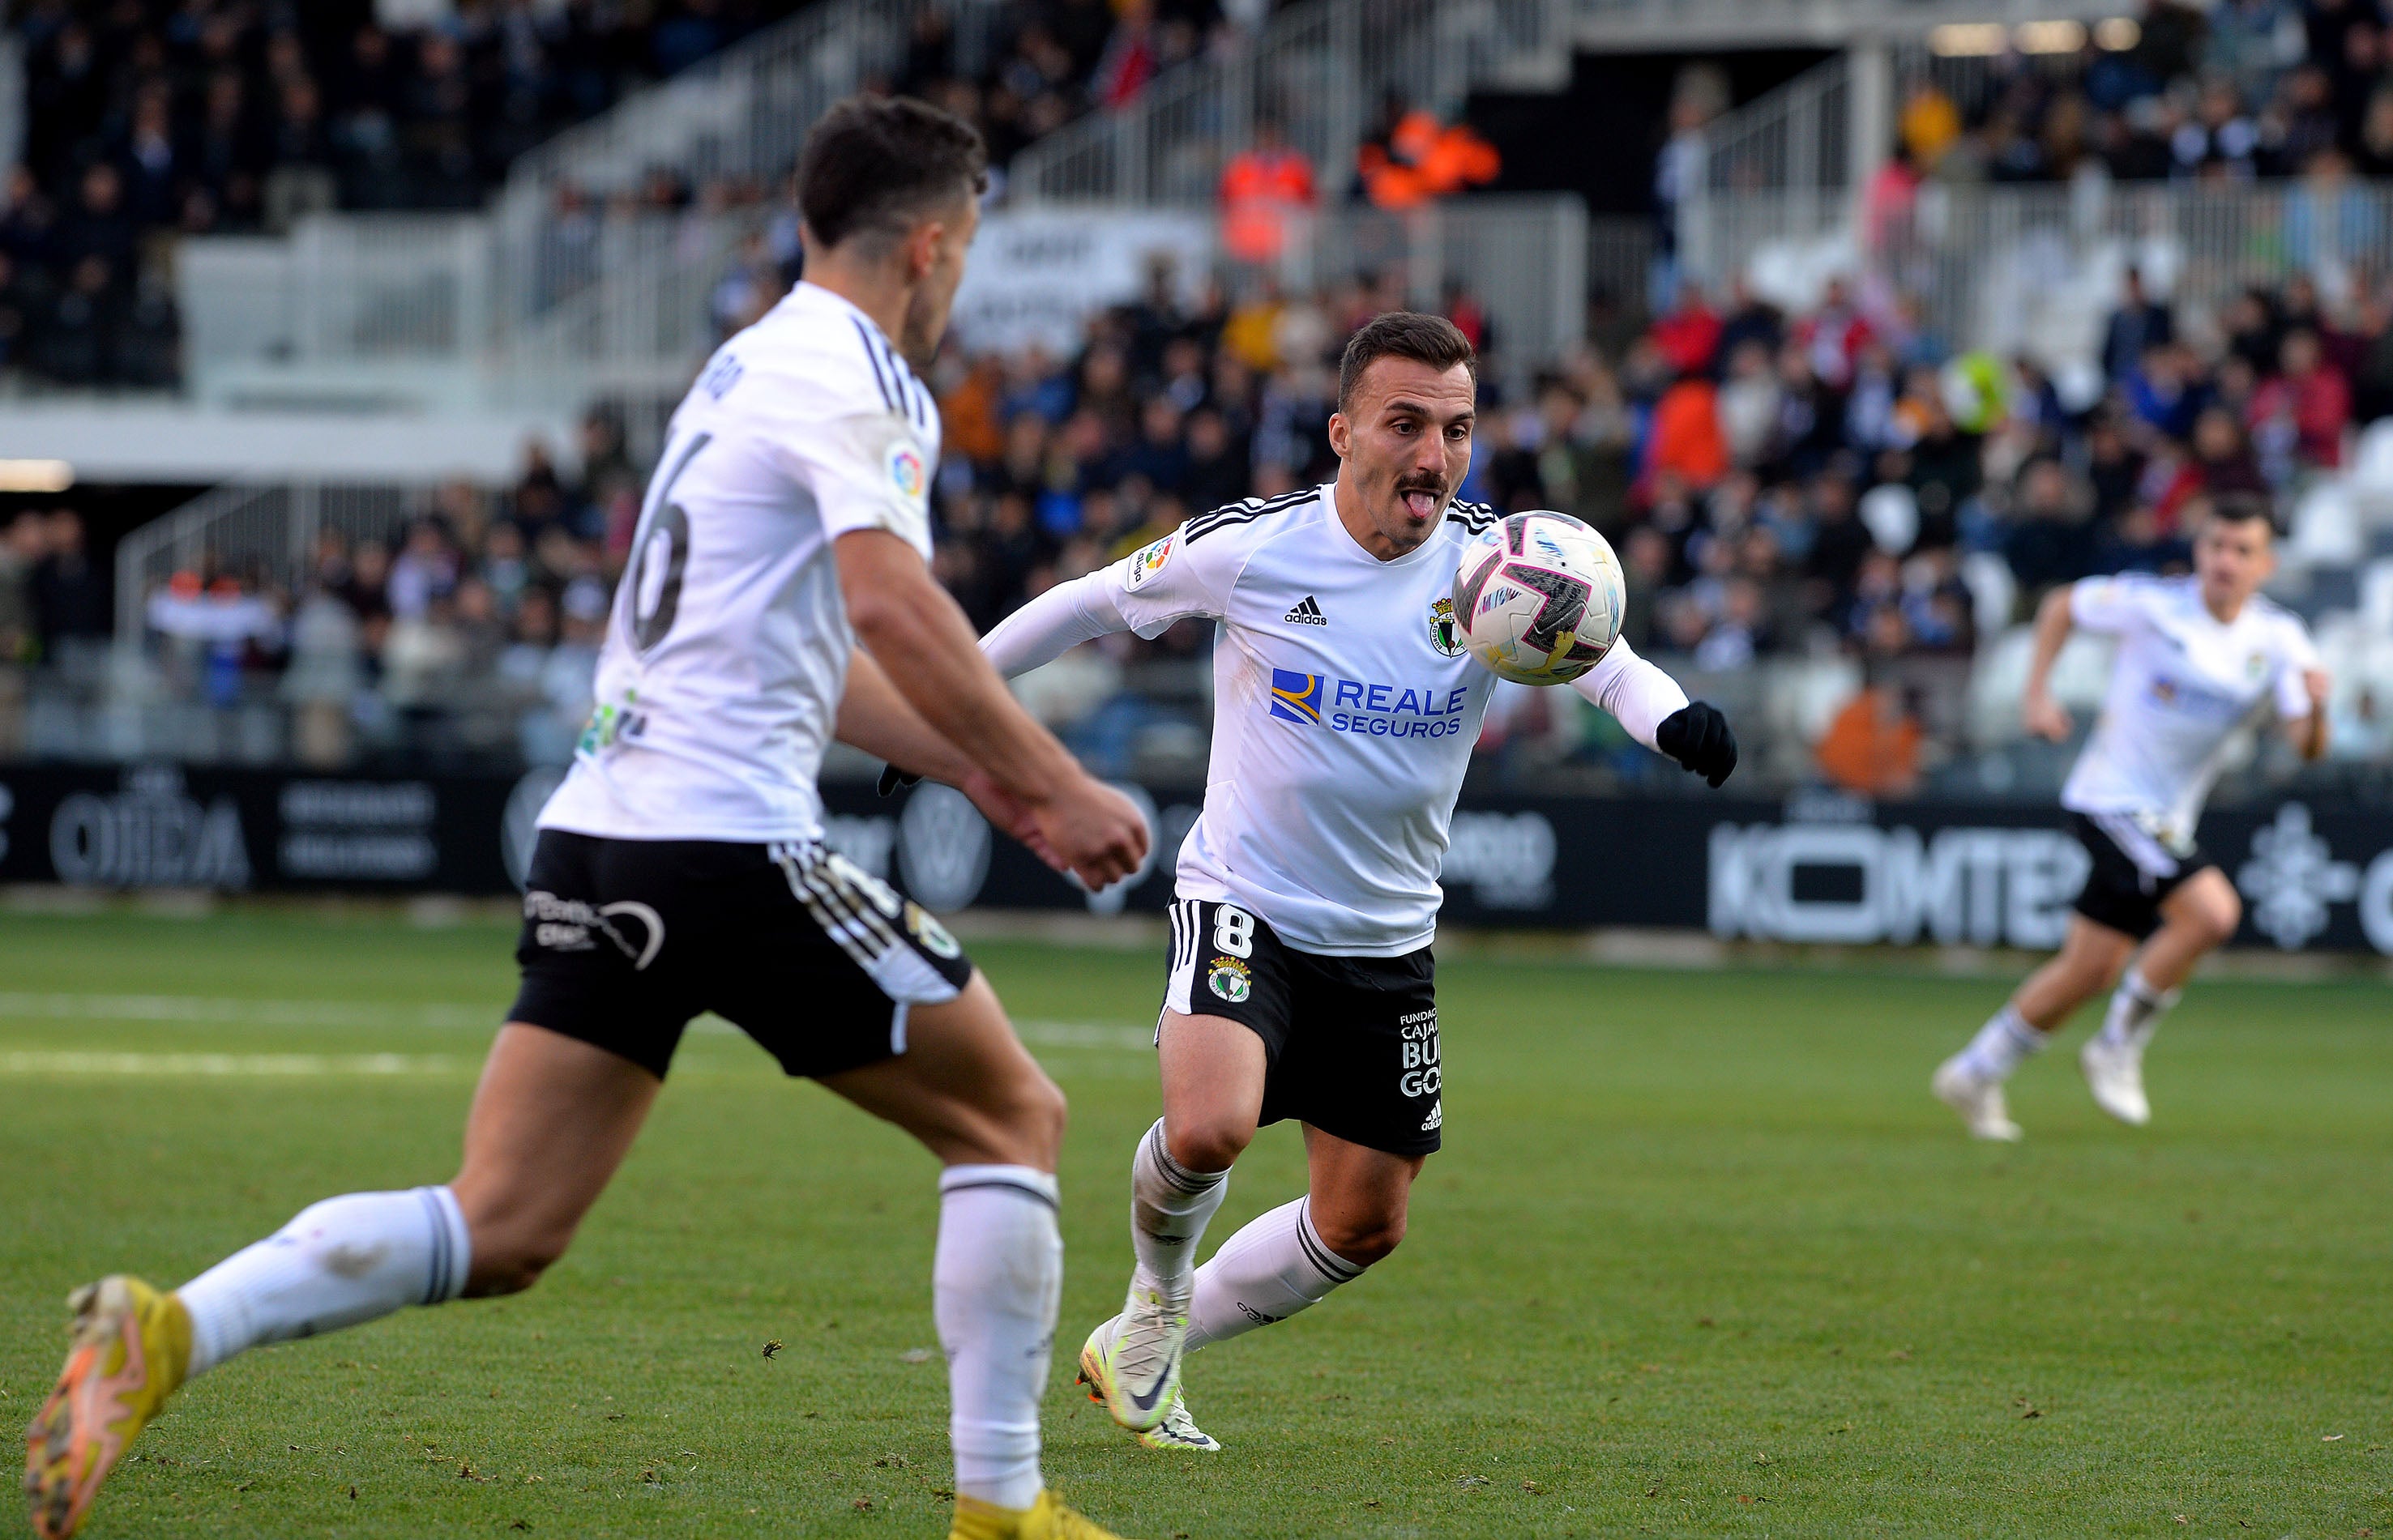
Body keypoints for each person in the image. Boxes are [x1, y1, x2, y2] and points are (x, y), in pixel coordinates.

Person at [24, 97, 1152, 1540]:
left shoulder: (740, 369)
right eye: (970, 249)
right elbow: (889, 600)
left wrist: (991, 775)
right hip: (724, 848)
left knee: (501, 1224)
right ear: (929, 246)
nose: (961, 282)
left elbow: (808, 659)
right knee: (1012, 1114)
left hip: (601, 837)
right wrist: (1053, 778)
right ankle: (1002, 1511)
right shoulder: (862, 374)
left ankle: (164, 1331)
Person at [974, 313, 1740, 1453]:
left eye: (1458, 429)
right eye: (1407, 424)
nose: (1434, 456)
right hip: (1246, 899)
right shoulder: (1252, 548)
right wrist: (956, 705)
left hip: (1386, 940)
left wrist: (1672, 718)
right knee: (1212, 1125)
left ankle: (1148, 1351)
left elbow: (1606, 661)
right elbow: (1090, 601)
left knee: (1365, 1222)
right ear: (1343, 433)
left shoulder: (1495, 564)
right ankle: (1156, 1295)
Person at [1931, 496, 2328, 1141]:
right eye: (2214, 546)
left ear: (2266, 563)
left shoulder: (2278, 638)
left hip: (2165, 818)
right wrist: (2037, 693)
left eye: (2240, 550)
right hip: (2109, 799)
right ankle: (2116, 1046)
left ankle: (1974, 1072)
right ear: (2198, 550)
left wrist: (2317, 712)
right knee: (2212, 912)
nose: (2223, 561)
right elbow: (2062, 604)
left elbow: (2304, 747)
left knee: (2087, 968)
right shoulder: (2153, 604)